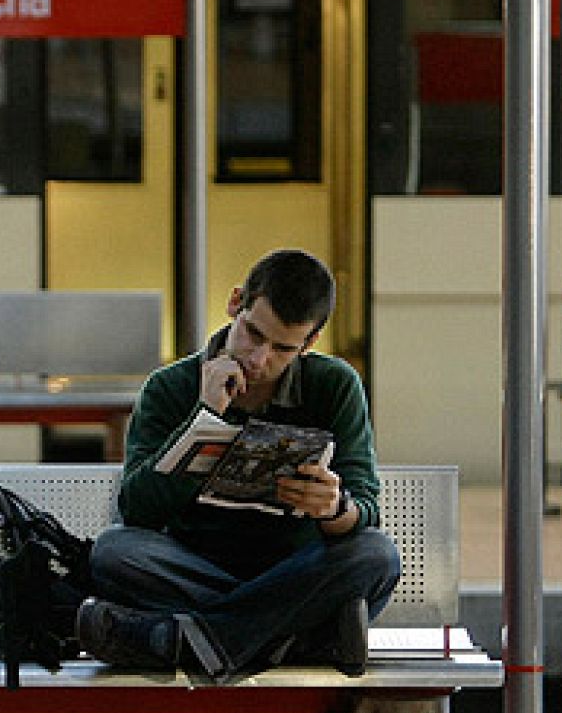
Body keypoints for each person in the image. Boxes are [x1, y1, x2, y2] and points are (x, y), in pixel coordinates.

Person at [77, 248, 400, 680]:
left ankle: (189, 638)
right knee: (115, 553)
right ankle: (290, 641)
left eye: (283, 349)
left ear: (309, 344)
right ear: (235, 304)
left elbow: (364, 506)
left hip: (296, 568)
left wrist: (335, 507)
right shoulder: (170, 387)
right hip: (197, 564)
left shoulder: (334, 385)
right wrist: (204, 420)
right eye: (252, 334)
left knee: (375, 555)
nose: (260, 358)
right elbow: (137, 509)